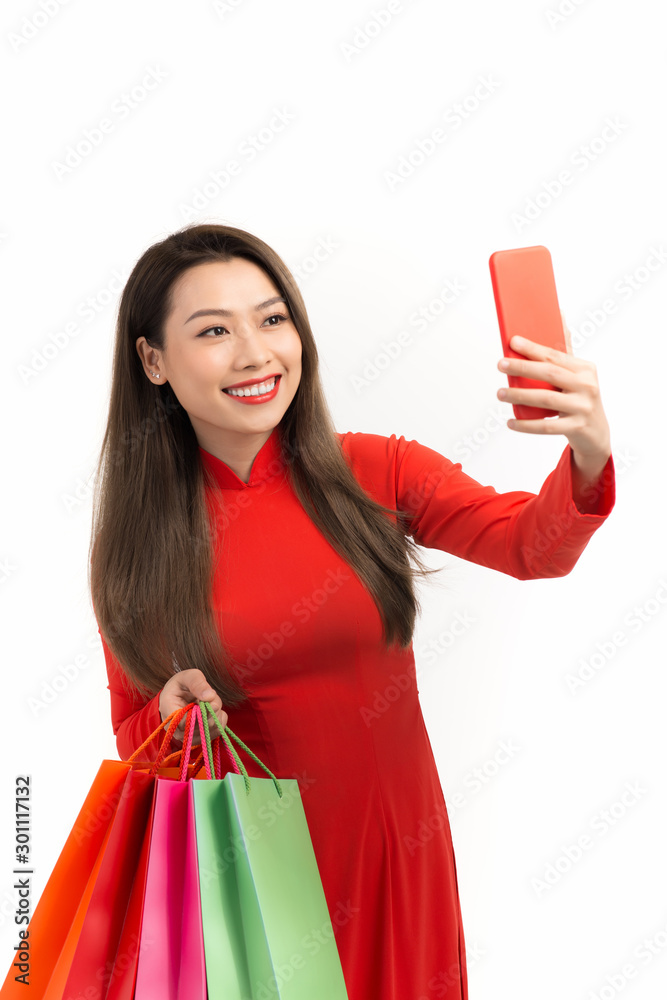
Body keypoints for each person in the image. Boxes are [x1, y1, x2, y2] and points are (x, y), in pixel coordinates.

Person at [89, 223, 616, 999]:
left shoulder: (375, 471)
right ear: (153, 361)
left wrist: (588, 454)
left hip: (397, 860)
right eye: (213, 331)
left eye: (272, 319)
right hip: (252, 890)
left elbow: (529, 547)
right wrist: (167, 714)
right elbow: (134, 730)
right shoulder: (138, 544)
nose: (255, 354)